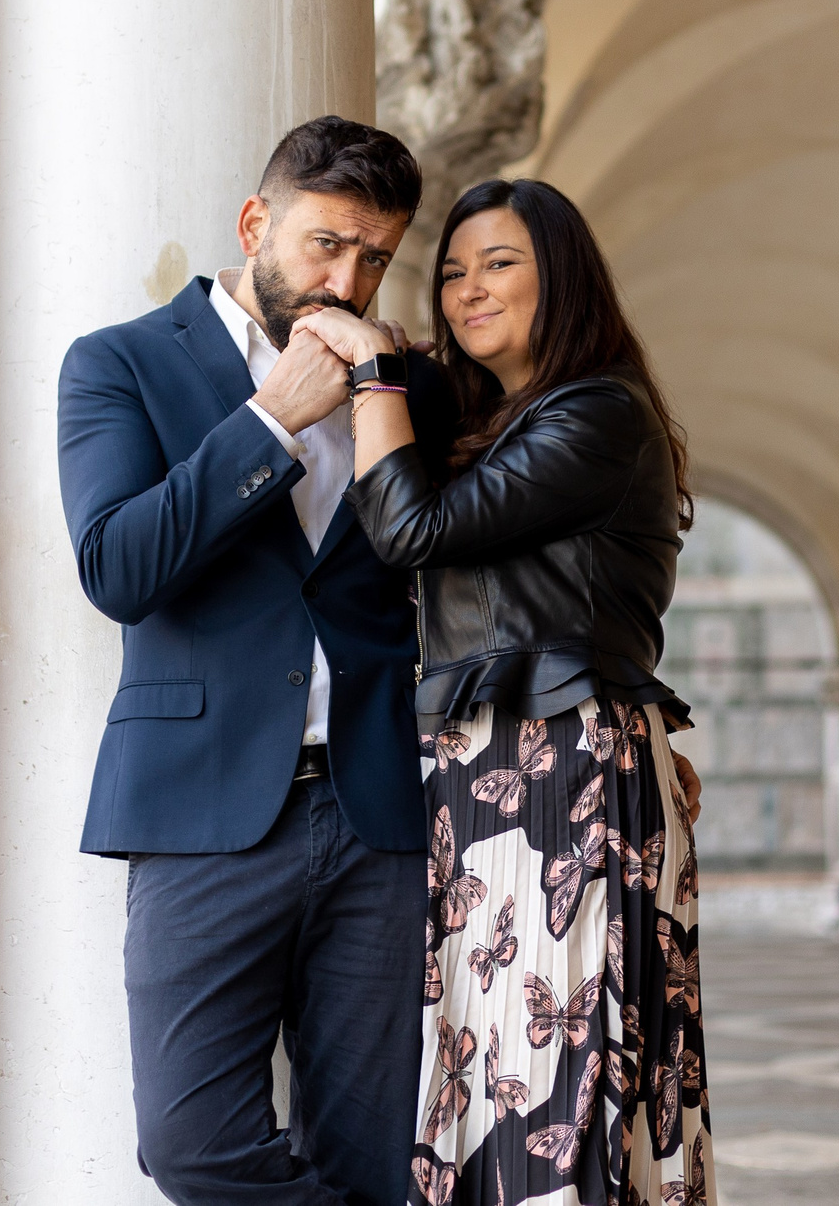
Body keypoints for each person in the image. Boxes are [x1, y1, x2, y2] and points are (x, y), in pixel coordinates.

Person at [56, 117, 461, 1206]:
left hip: (378, 814)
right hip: (202, 817)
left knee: (373, 1159)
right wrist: (270, 423)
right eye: (326, 244)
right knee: (192, 1146)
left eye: (376, 256)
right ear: (254, 224)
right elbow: (117, 567)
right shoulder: (121, 363)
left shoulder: (406, 387)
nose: (349, 278)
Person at [292, 177, 712, 1206]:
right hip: (495, 772)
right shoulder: (513, 421)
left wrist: (377, 376)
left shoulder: (598, 412)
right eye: (451, 271)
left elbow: (412, 533)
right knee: (492, 1074)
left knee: (560, 1074)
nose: (468, 288)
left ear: (560, 276)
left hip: (559, 765)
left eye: (500, 263)